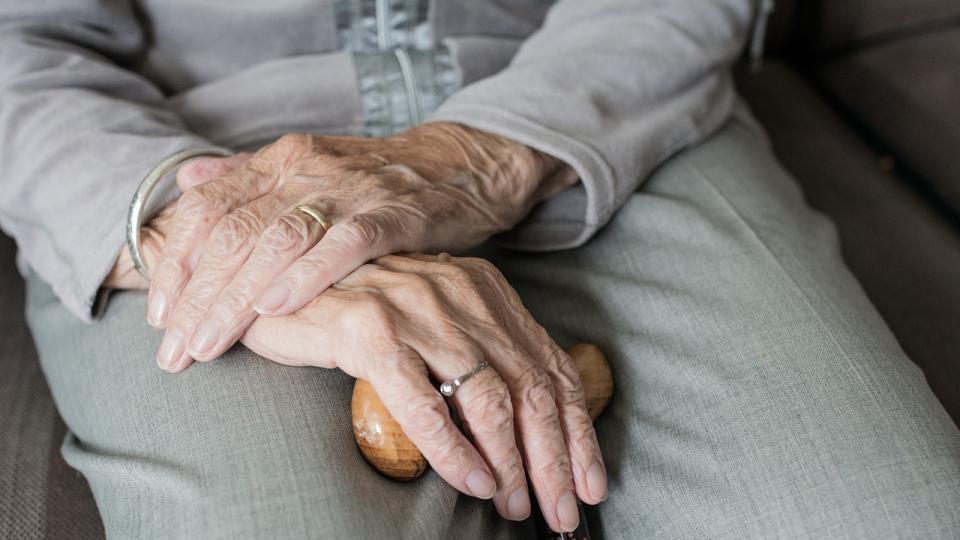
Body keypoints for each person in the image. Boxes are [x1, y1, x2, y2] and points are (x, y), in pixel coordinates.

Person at [2, 0, 959, 538]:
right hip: (190, 156)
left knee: (886, 517)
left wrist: (478, 154)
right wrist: (197, 230)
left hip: (602, 108)